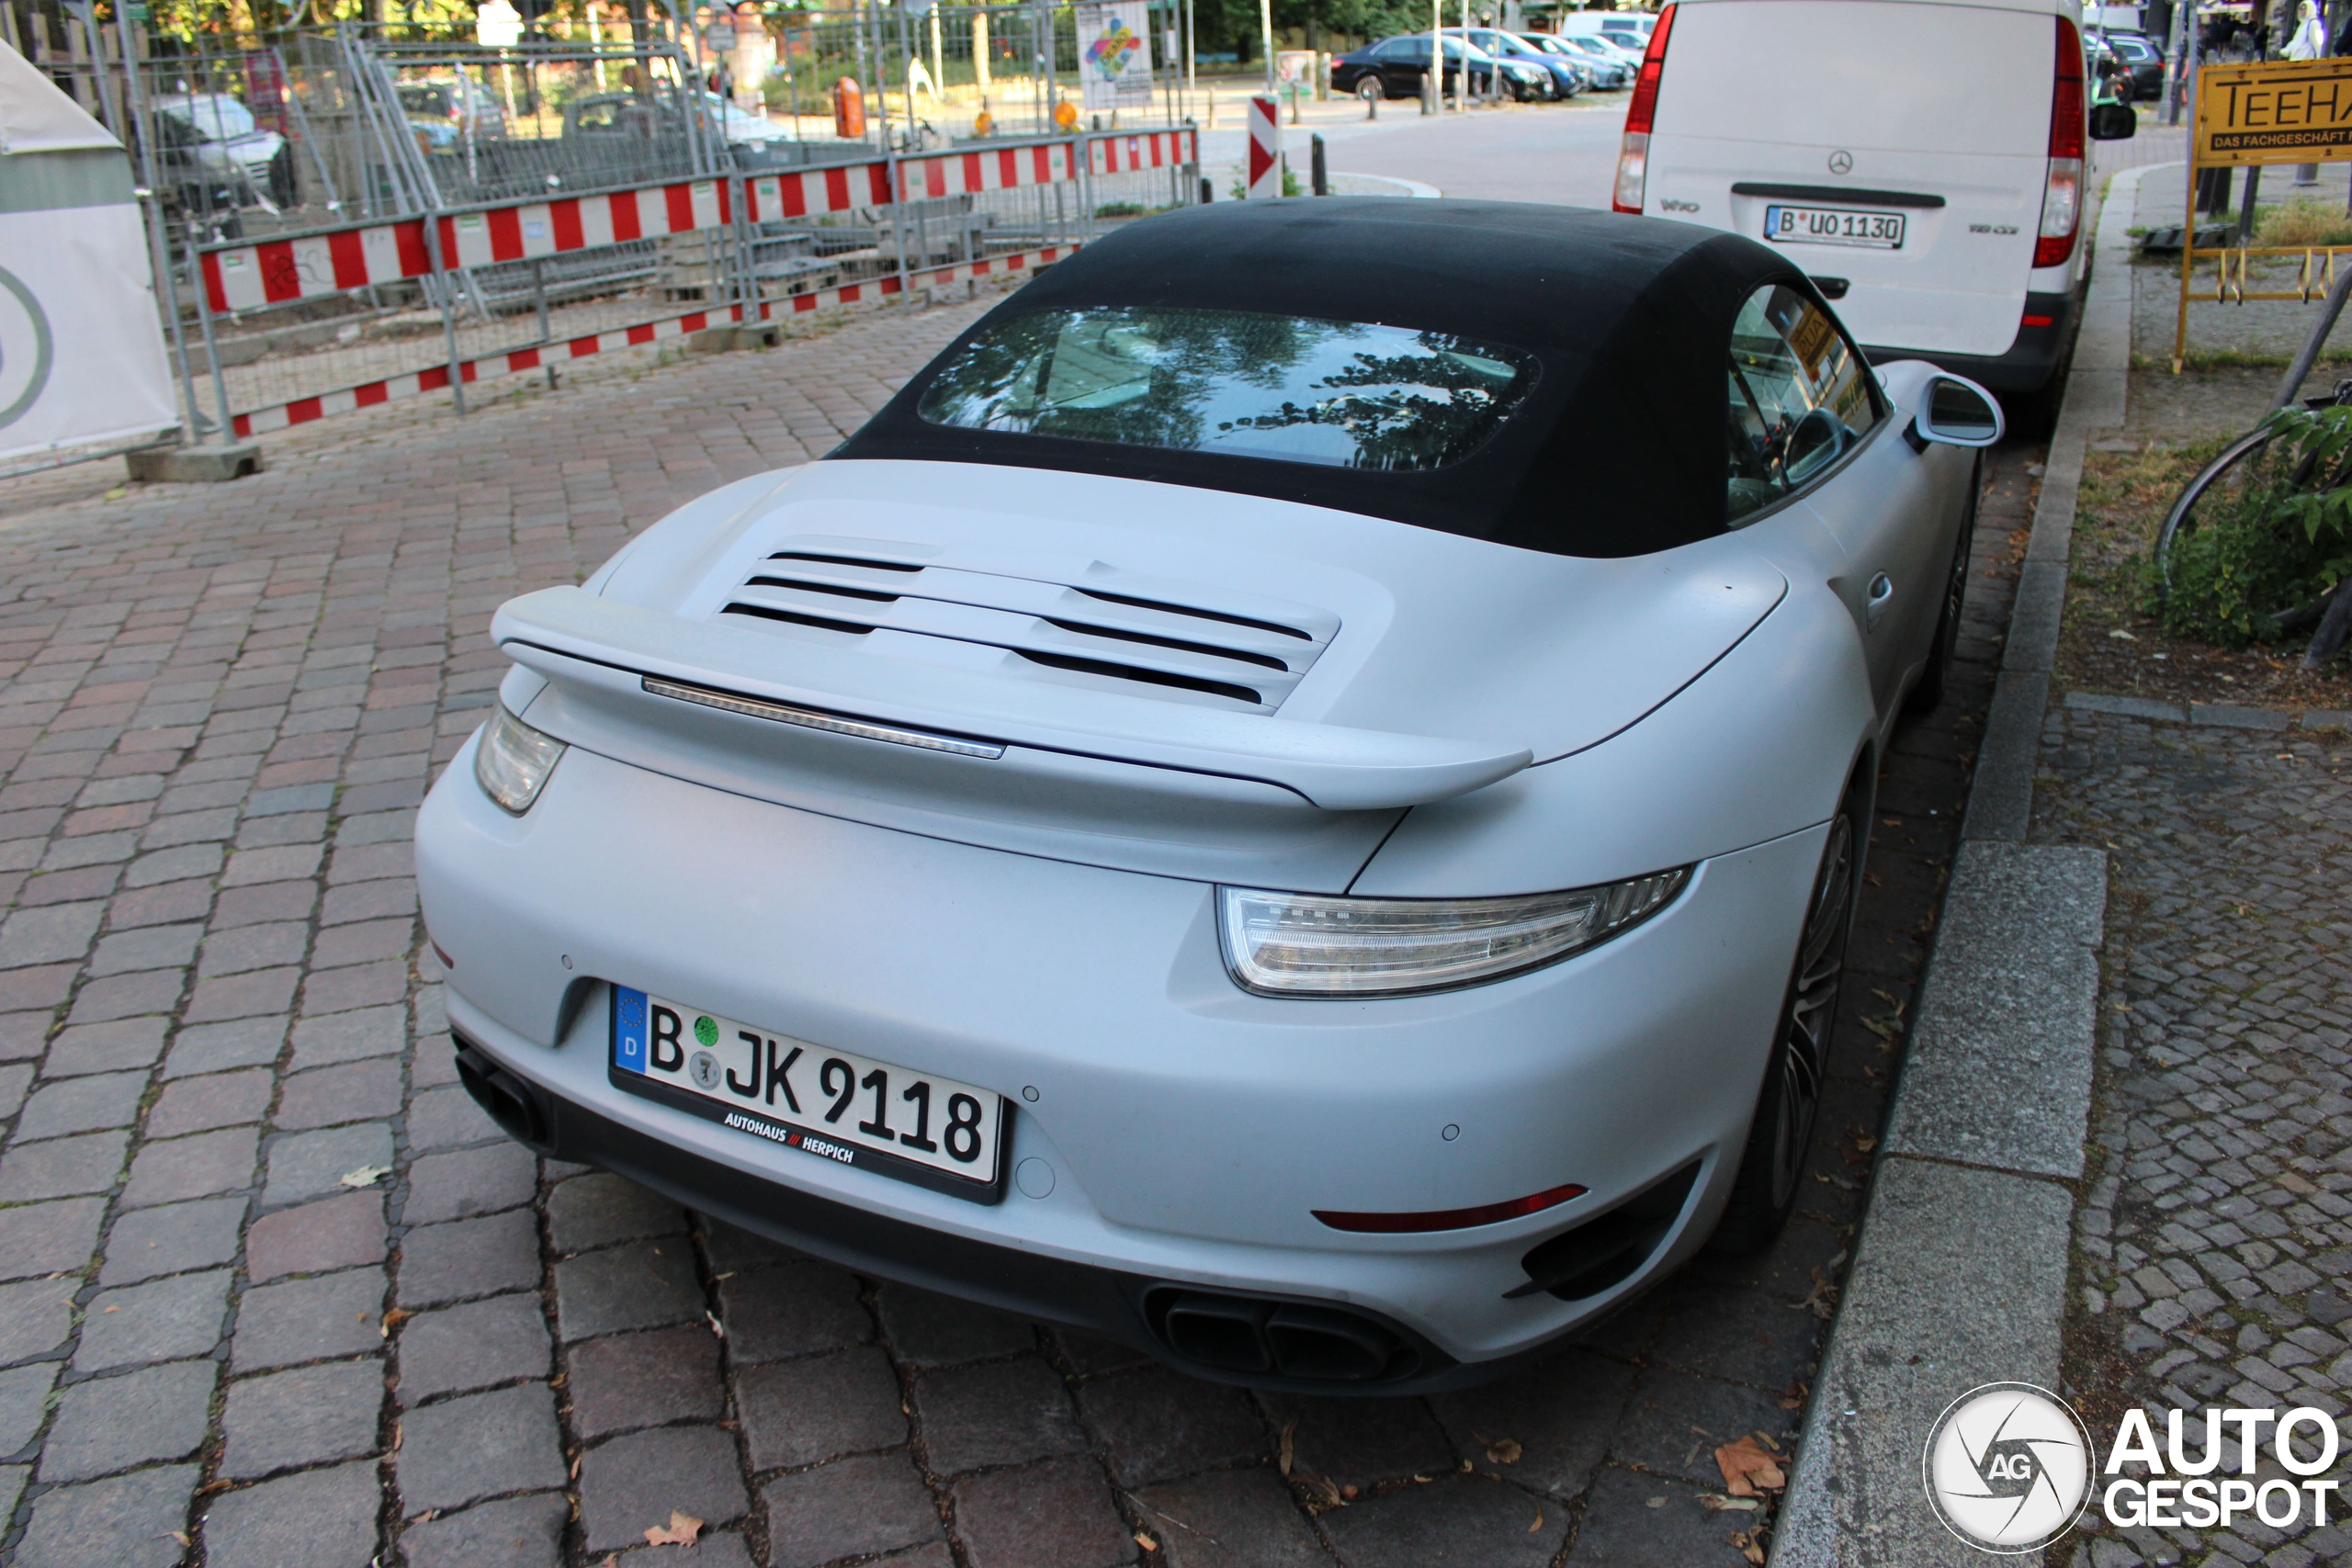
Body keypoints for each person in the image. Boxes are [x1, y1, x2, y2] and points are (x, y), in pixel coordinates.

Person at [2289, 0, 2326, 182]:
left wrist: (2321, 64)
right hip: (2296, 63)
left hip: (2306, 65)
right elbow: (2296, 44)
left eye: (2305, 8)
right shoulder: (2302, 25)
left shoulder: (2314, 24)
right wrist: (2285, 50)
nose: (2302, 11)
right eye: (2301, 8)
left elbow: (2318, 44)